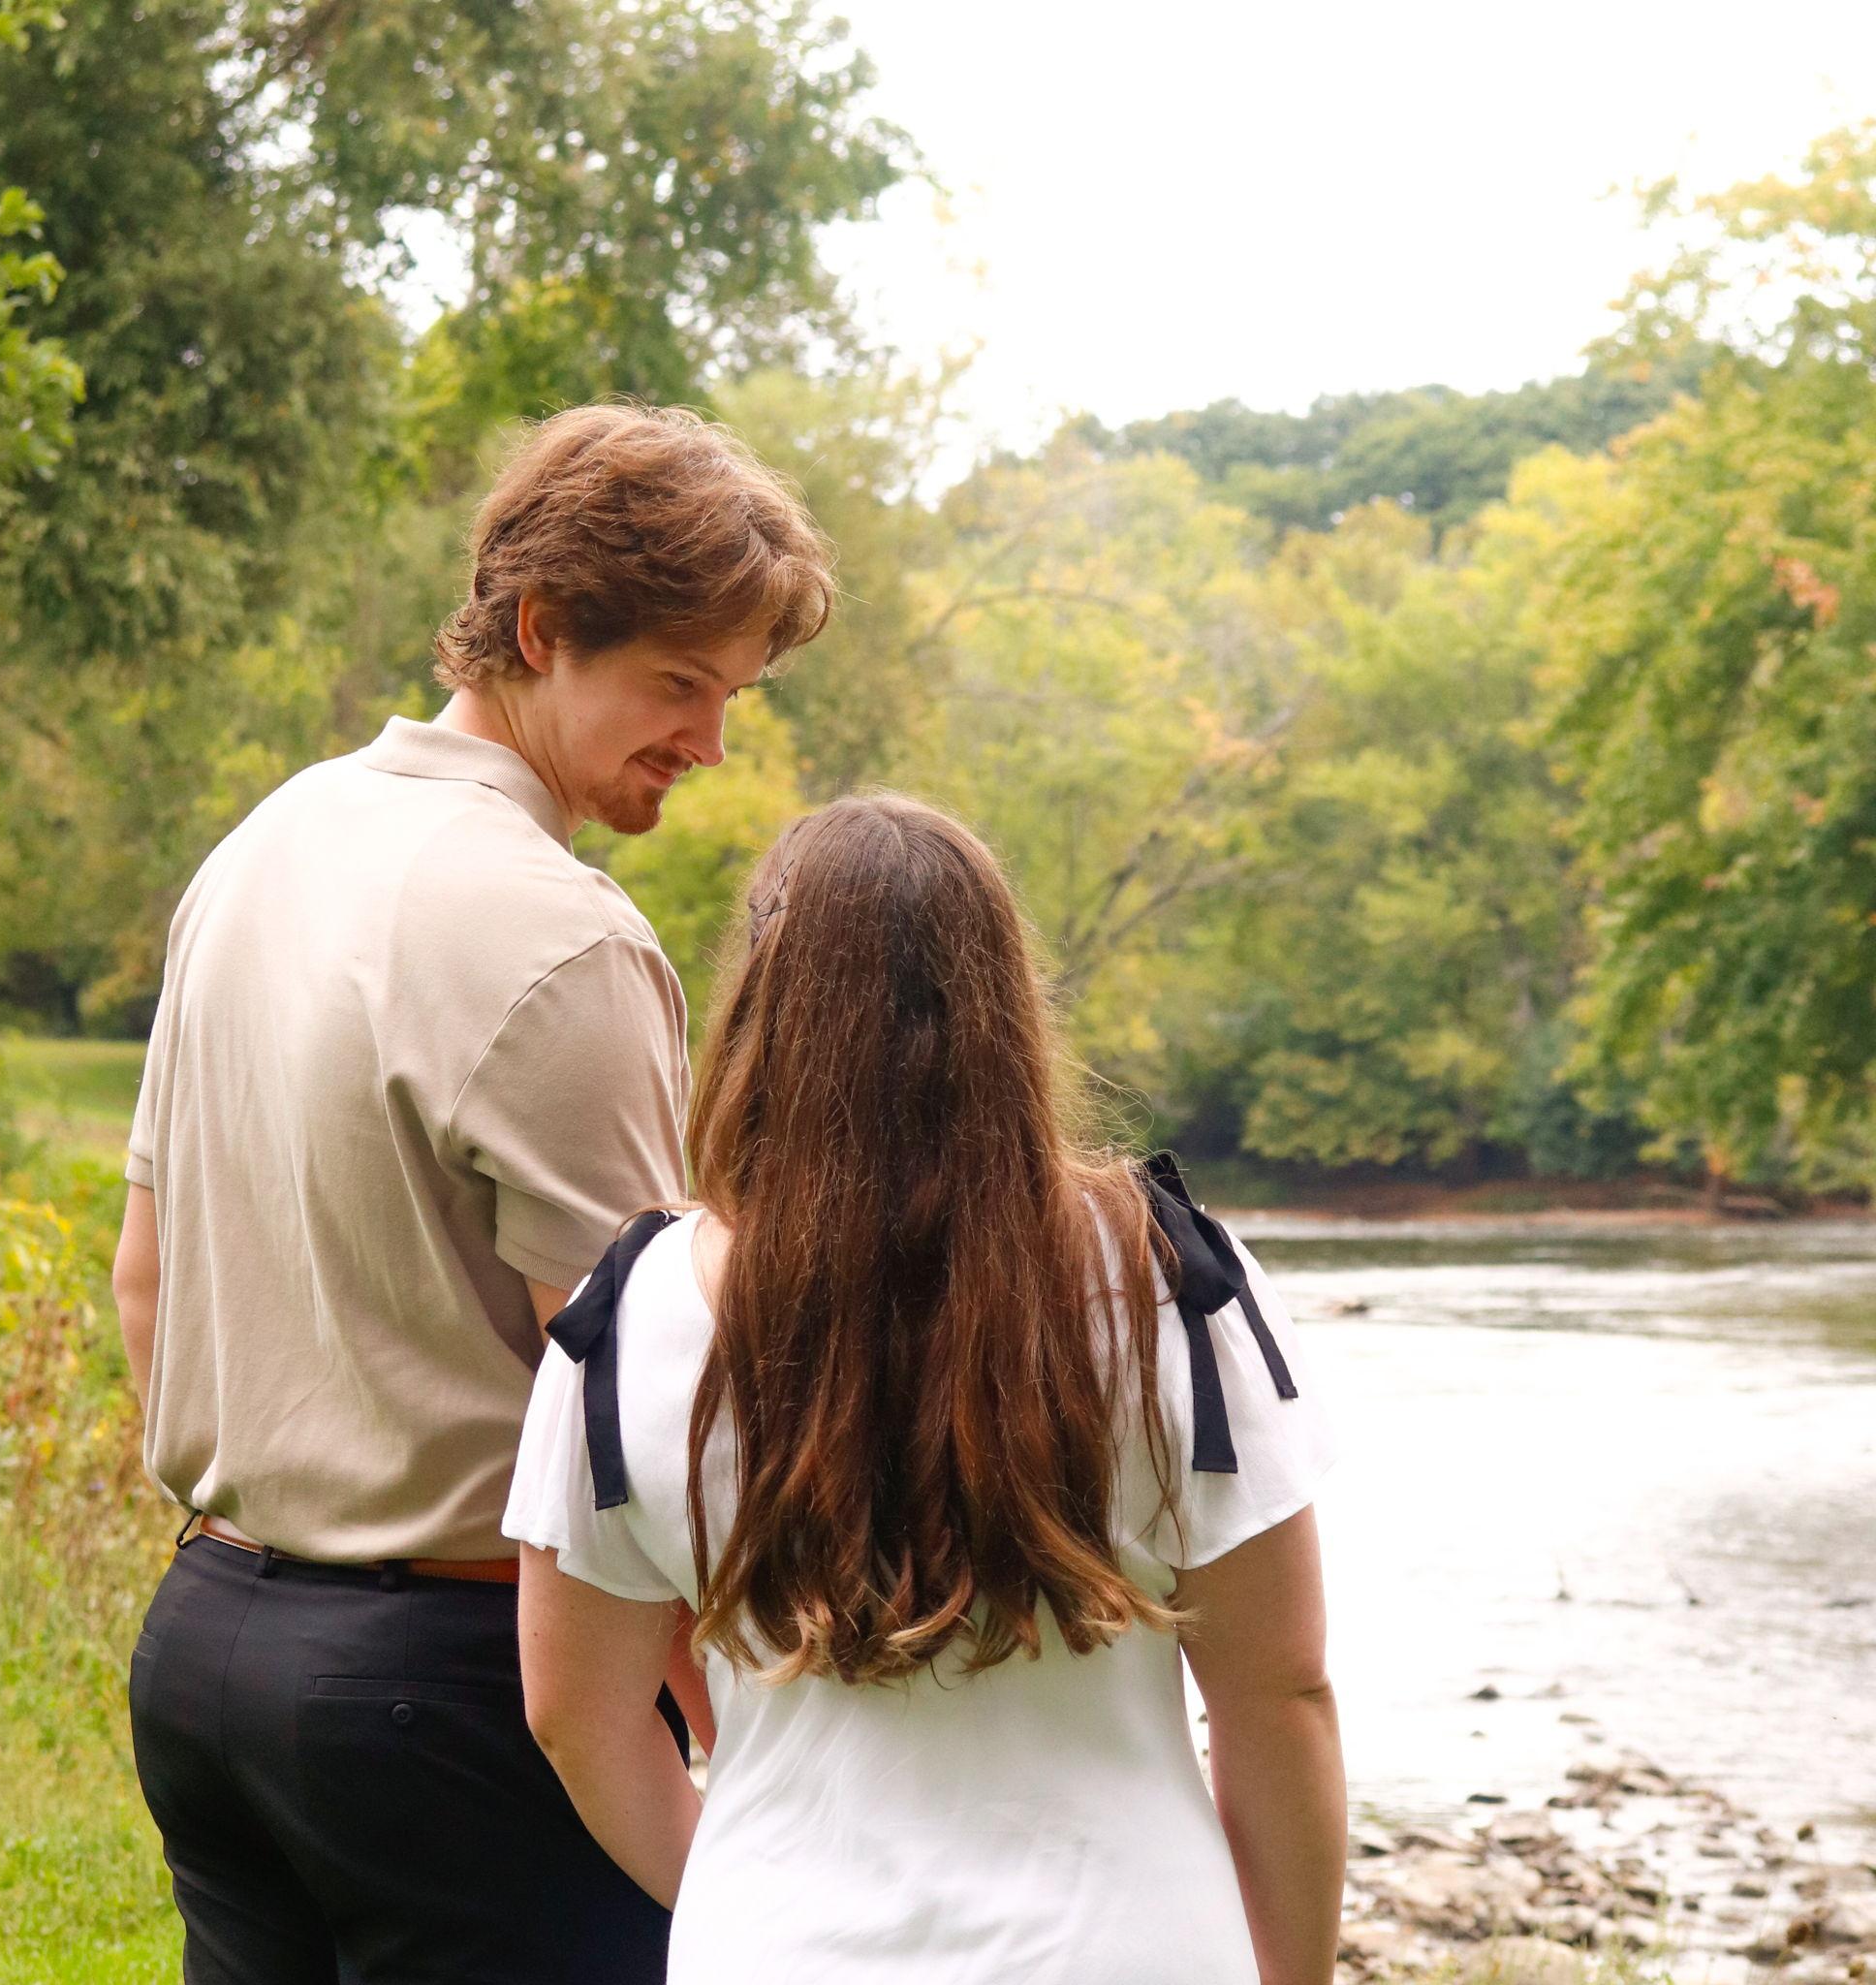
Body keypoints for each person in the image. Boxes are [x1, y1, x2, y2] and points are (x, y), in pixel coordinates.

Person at [112, 401, 836, 1985]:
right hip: (446, 1691)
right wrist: (739, 1717)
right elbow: (641, 1413)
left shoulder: (262, 847)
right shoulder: (559, 935)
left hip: (206, 1650)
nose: (710, 742)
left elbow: (144, 1278)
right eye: (680, 683)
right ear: (542, 627)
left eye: (730, 696)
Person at [507, 793, 1348, 1984]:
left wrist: (748, 1905)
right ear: (1006, 1003)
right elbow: (1280, 1692)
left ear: (761, 1011)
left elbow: (574, 1715)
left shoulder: (626, 1311)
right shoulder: (1174, 1279)